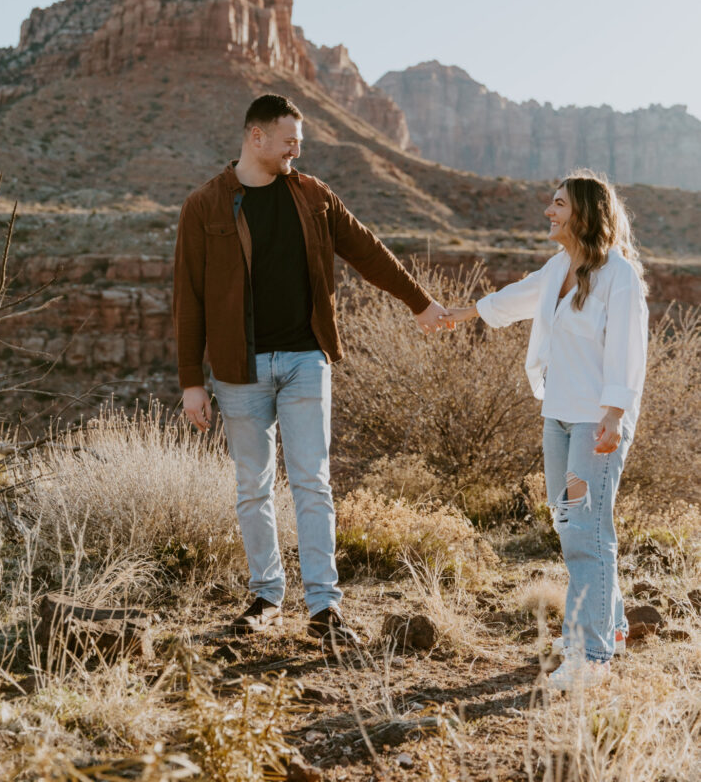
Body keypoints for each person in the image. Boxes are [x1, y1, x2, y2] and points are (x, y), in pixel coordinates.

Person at [173, 93, 448, 645]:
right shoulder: (204, 205)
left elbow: (368, 251)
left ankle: (323, 606)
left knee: (312, 483)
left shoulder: (313, 195)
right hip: (237, 368)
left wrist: (419, 302)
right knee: (252, 486)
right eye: (289, 139)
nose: (297, 149)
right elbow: (189, 296)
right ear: (256, 138)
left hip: (305, 357)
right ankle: (266, 596)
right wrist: (190, 382)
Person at [440, 170, 648, 690]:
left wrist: (614, 415)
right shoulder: (560, 267)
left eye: (557, 204)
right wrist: (456, 314)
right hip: (556, 415)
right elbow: (513, 299)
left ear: (582, 211)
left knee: (586, 532)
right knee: (570, 524)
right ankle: (612, 628)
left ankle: (591, 656)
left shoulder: (617, 274)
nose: (548, 212)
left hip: (594, 421)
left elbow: (629, 349)